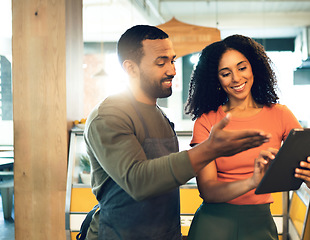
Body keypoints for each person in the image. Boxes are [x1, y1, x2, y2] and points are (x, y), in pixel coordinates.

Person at [83, 26, 271, 240]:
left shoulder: (161, 117)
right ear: (131, 68)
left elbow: (166, 180)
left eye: (172, 60)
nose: (172, 70)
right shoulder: (109, 116)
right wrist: (209, 149)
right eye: (161, 62)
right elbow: (138, 181)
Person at [184, 35, 310, 240]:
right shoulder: (206, 122)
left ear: (254, 68)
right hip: (212, 226)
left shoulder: (281, 115)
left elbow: (309, 169)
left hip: (260, 225)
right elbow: (208, 190)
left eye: (242, 68)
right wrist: (253, 181)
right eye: (226, 73)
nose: (236, 78)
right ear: (215, 79)